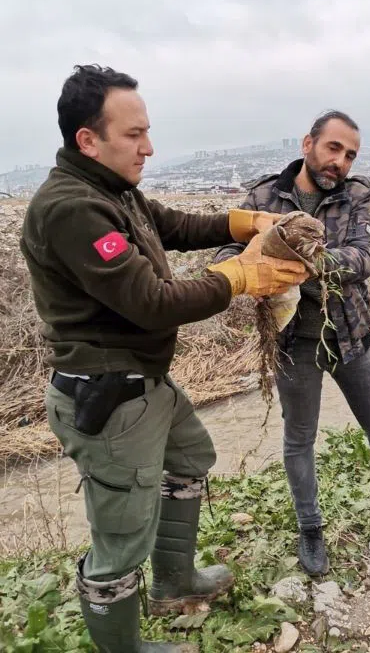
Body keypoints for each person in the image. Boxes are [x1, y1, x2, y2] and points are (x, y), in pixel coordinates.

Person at [19, 63, 310, 652]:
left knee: (191, 456)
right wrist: (243, 273)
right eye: (134, 135)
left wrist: (250, 220)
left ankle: (174, 581)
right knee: (119, 538)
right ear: (88, 139)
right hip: (107, 395)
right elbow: (153, 303)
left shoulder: (112, 191)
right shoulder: (71, 208)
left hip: (143, 383)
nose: (148, 147)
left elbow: (175, 225)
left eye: (147, 132)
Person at [212, 110, 370, 577]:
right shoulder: (264, 197)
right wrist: (235, 271)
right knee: (299, 439)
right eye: (333, 148)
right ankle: (310, 528)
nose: (340, 162)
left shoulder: (355, 196)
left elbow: (364, 258)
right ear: (308, 143)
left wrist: (305, 260)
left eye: (350, 155)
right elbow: (231, 253)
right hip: (292, 344)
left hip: (351, 336)